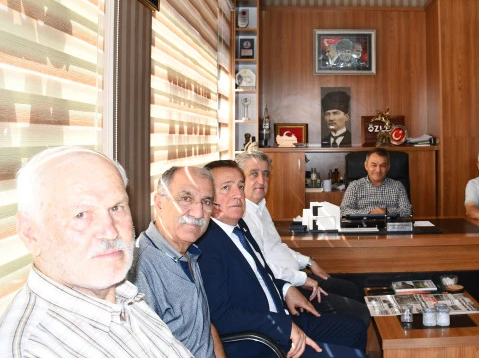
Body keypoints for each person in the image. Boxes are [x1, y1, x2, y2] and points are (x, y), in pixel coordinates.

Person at [0, 146, 192, 357]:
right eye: (81, 214)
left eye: (116, 208)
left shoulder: (124, 296)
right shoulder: (32, 349)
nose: (110, 232)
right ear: (31, 234)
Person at [197, 161, 367, 357]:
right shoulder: (207, 245)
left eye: (240, 186)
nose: (238, 194)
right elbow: (220, 316)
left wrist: (285, 288)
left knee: (355, 330)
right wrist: (283, 327)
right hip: (261, 340)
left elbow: (261, 273)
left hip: (281, 316)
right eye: (226, 187)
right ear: (208, 198)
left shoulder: (239, 227)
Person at [224, 153, 370, 327]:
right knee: (359, 315)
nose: (261, 181)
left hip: (295, 276)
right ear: (240, 179)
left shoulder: (260, 208)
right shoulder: (241, 216)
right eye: (254, 174)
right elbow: (261, 268)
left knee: (350, 289)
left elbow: (277, 246)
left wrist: (308, 261)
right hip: (284, 287)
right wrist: (303, 278)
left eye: (266, 174)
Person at [129, 166, 224, 358]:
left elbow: (204, 326)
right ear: (159, 202)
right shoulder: (139, 269)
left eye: (206, 202)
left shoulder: (189, 252)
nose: (198, 213)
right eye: (186, 198)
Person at [340, 148, 412, 216]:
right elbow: (343, 210)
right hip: (363, 223)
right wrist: (369, 213)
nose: (378, 170)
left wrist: (387, 211)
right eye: (374, 165)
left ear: (388, 167)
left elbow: (407, 210)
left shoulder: (398, 186)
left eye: (382, 165)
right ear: (366, 166)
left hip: (389, 224)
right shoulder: (354, 186)